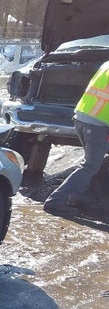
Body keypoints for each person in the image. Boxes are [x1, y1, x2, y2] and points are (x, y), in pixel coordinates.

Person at [44, 60, 109, 216]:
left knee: (94, 163)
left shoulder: (106, 64)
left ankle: (80, 199)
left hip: (83, 118)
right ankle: (57, 200)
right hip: (98, 123)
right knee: (90, 166)